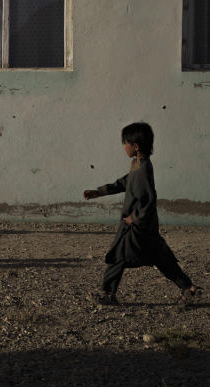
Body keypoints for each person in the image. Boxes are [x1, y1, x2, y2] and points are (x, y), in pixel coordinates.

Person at [83, 122, 202, 306]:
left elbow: (149, 199)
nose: (123, 147)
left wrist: (134, 218)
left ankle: (108, 293)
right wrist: (99, 191)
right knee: (160, 258)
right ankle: (188, 287)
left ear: (135, 146)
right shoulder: (137, 164)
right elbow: (124, 182)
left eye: (125, 143)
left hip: (137, 226)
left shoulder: (144, 168)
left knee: (119, 256)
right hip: (142, 227)